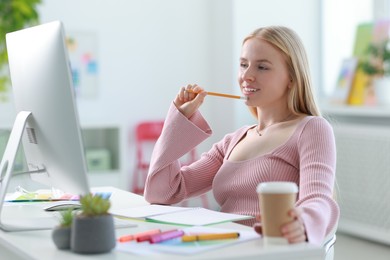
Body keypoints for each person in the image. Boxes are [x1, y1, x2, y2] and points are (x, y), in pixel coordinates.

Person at [144, 26, 339, 245]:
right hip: (222, 247)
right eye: (243, 64)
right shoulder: (233, 141)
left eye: (262, 67)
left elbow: (319, 199)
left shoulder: (312, 129)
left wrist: (302, 223)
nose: (246, 76)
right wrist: (177, 120)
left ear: (292, 78)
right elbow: (162, 192)